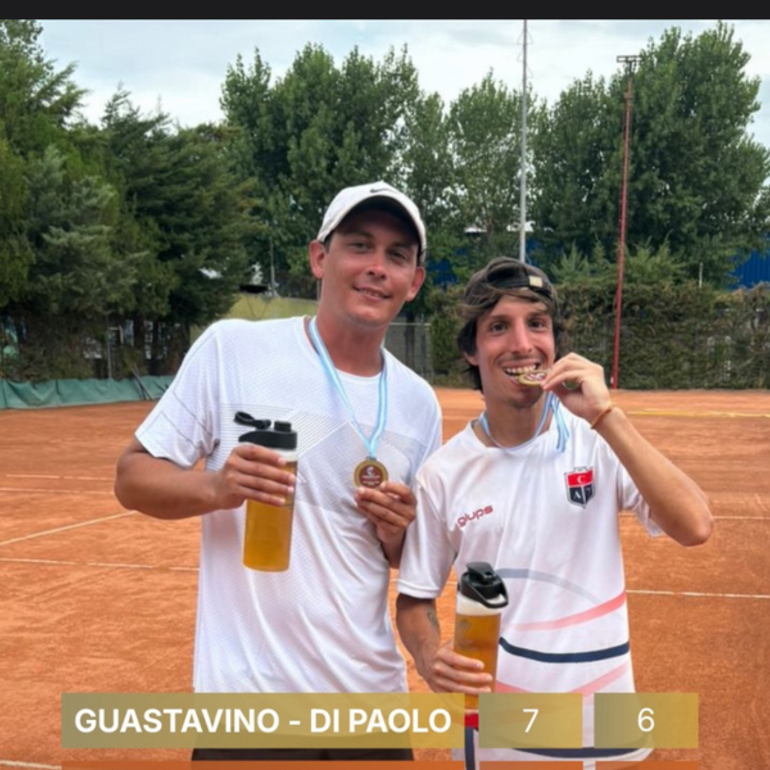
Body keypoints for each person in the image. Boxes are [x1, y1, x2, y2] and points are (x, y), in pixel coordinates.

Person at [114, 181, 443, 762]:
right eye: (359, 246)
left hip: (368, 705)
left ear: (414, 282)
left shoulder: (419, 403)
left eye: (397, 256)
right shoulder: (233, 350)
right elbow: (132, 477)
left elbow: (407, 561)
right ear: (320, 257)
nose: (376, 268)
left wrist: (396, 532)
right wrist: (215, 488)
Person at [395, 256, 713, 769]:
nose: (522, 343)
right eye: (499, 327)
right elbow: (414, 600)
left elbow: (696, 526)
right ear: (472, 351)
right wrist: (430, 657)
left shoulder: (598, 441)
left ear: (555, 344)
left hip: (601, 722)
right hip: (497, 729)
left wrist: (607, 416)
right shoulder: (443, 473)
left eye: (537, 324)